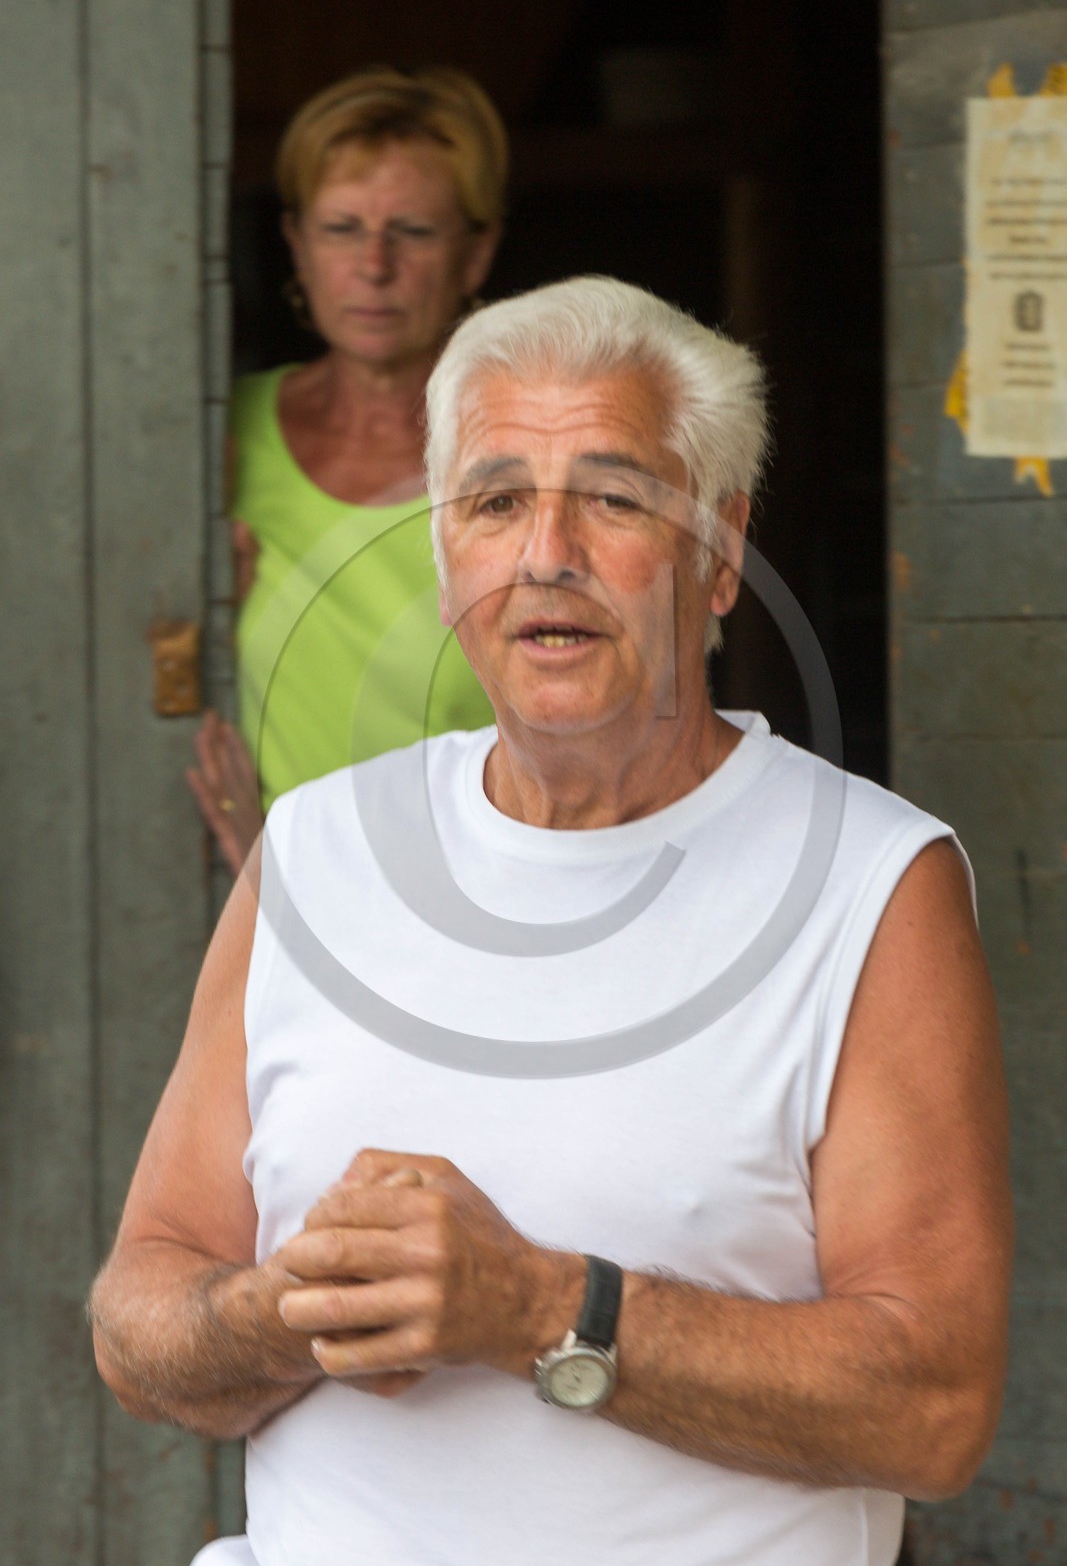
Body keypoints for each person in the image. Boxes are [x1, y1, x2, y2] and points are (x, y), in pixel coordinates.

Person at [91, 277, 1012, 1566]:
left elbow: (935, 1408)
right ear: (444, 547)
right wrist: (292, 1311)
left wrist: (530, 1305)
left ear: (721, 548)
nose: (545, 553)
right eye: (495, 500)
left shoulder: (869, 883)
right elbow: (138, 1317)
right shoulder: (315, 849)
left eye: (614, 497)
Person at [188, 67, 504, 875]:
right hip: (247, 900)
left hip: (472, 904)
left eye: (413, 232)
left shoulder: (523, 457)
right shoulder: (211, 439)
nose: (373, 264)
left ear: (475, 253)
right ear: (295, 244)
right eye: (340, 228)